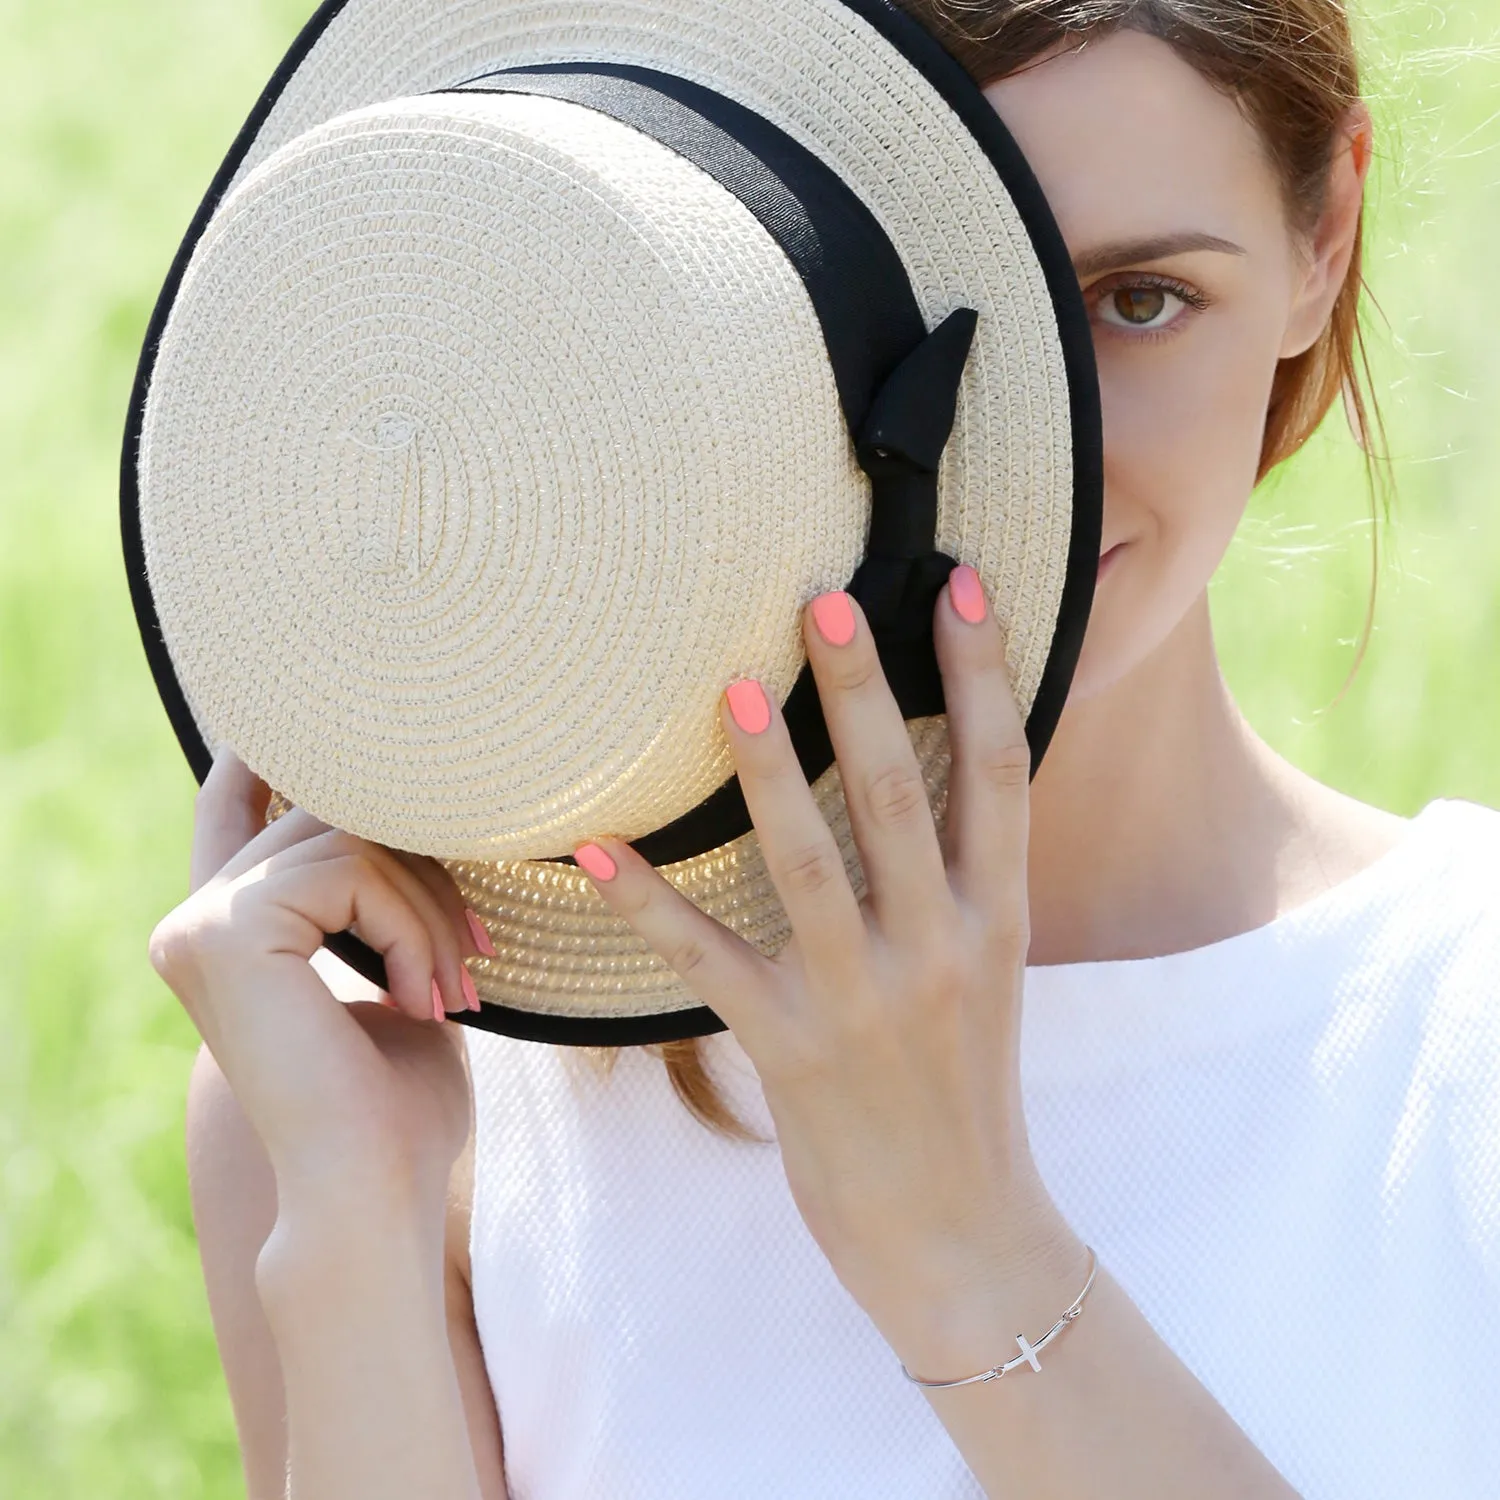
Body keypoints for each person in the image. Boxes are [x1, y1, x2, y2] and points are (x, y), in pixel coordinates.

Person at [151, 4, 1500, 1497]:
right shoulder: (393, 1078)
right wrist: (357, 1211)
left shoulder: (1460, 1026)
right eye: (896, 327)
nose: (1029, 451)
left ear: (1326, 234)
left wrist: (969, 1252)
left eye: (1137, 302)